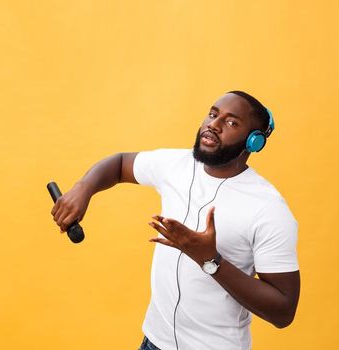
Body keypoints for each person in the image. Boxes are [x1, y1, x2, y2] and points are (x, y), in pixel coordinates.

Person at [49, 91, 300, 350]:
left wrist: (210, 260)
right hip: (154, 342)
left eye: (231, 122)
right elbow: (120, 163)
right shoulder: (176, 165)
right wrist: (84, 188)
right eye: (213, 114)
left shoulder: (268, 208)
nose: (214, 125)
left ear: (254, 142)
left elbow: (283, 310)